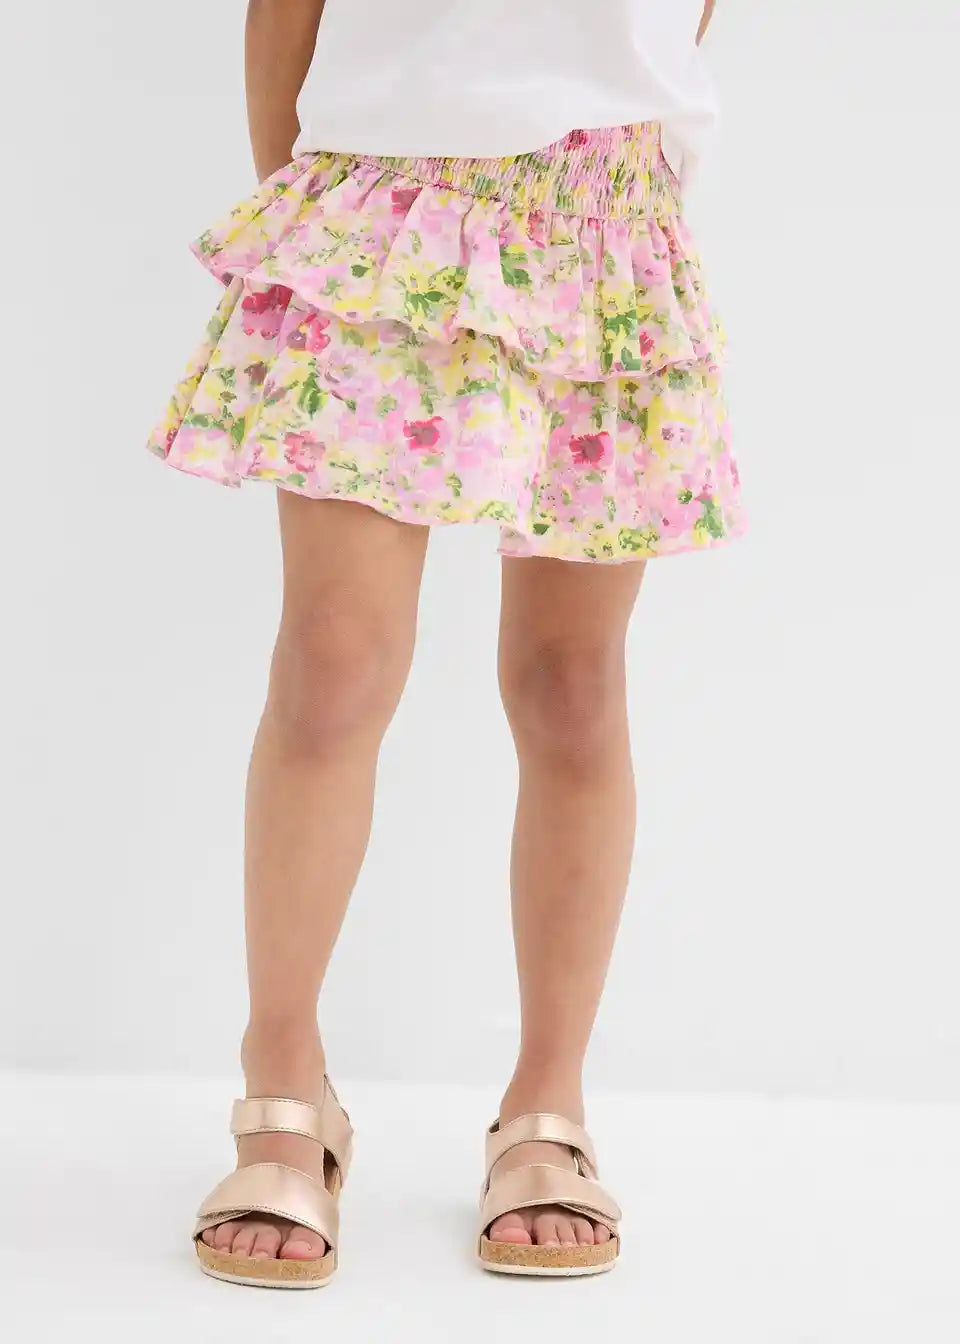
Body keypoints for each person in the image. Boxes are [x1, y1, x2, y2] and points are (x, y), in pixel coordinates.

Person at [148, 0, 740, 1286]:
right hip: (386, 208)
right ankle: (282, 1081)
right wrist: (319, 212)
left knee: (574, 687)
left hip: (609, 224)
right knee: (334, 661)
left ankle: (549, 1101)